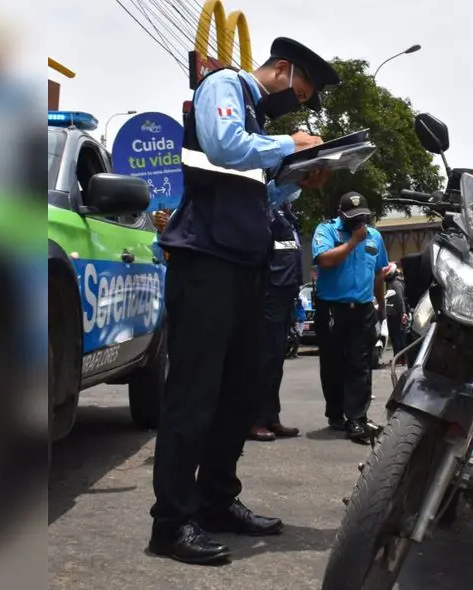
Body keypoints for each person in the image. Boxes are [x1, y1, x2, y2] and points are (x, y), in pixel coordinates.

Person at [149, 37, 338, 565]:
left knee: (241, 390)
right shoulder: (223, 85)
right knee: (194, 392)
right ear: (281, 68)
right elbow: (224, 146)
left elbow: (257, 188)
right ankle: (170, 523)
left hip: (244, 262)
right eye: (301, 91)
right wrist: (290, 145)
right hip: (204, 259)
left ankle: (215, 501)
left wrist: (300, 176)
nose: (300, 106)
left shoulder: (256, 118)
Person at [311, 192, 389, 443]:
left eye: (362, 217)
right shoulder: (326, 231)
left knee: (360, 364)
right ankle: (335, 413)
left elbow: (378, 273)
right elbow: (324, 260)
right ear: (340, 214)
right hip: (333, 308)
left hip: (363, 308)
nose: (358, 222)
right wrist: (353, 242)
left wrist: (381, 305)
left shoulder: (374, 236)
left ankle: (357, 418)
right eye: (352, 217)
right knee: (333, 364)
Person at [249, 200, 303, 441]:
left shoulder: (286, 212)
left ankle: (272, 417)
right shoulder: (265, 207)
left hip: (286, 293)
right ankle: (254, 421)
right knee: (263, 360)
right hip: (269, 292)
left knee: (276, 363)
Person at [383, 262, 409, 362]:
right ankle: (400, 358)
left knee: (396, 337)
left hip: (395, 315)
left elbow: (400, 299)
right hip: (395, 314)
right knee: (398, 336)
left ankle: (398, 358)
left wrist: (403, 313)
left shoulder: (396, 284)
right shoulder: (395, 283)